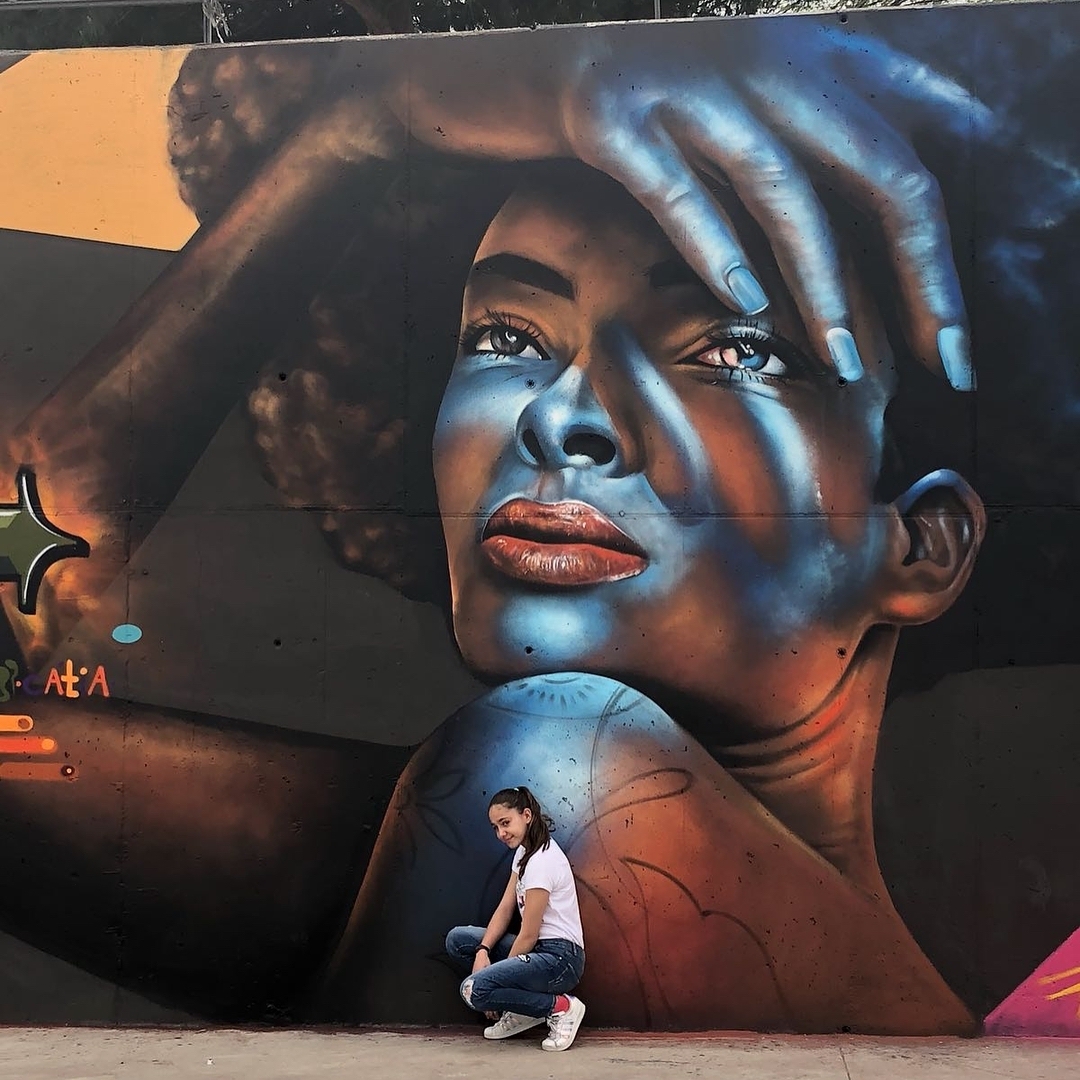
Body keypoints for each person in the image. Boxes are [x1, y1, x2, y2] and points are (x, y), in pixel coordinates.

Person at [0, 11, 1077, 1030]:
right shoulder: (471, 821)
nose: (566, 417)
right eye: (510, 337)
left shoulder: (567, 772)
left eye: (736, 351)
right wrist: (360, 119)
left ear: (921, 544)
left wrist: (353, 130)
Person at [445, 786, 586, 1051]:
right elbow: (505, 907)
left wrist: (496, 978)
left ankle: (561, 1007)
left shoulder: (543, 862)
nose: (501, 833)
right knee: (458, 940)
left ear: (527, 815)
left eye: (505, 823)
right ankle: (523, 1011)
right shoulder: (524, 852)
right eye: (495, 827)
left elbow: (529, 934)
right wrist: (482, 950)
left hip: (560, 959)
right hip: (537, 952)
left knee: (474, 990)